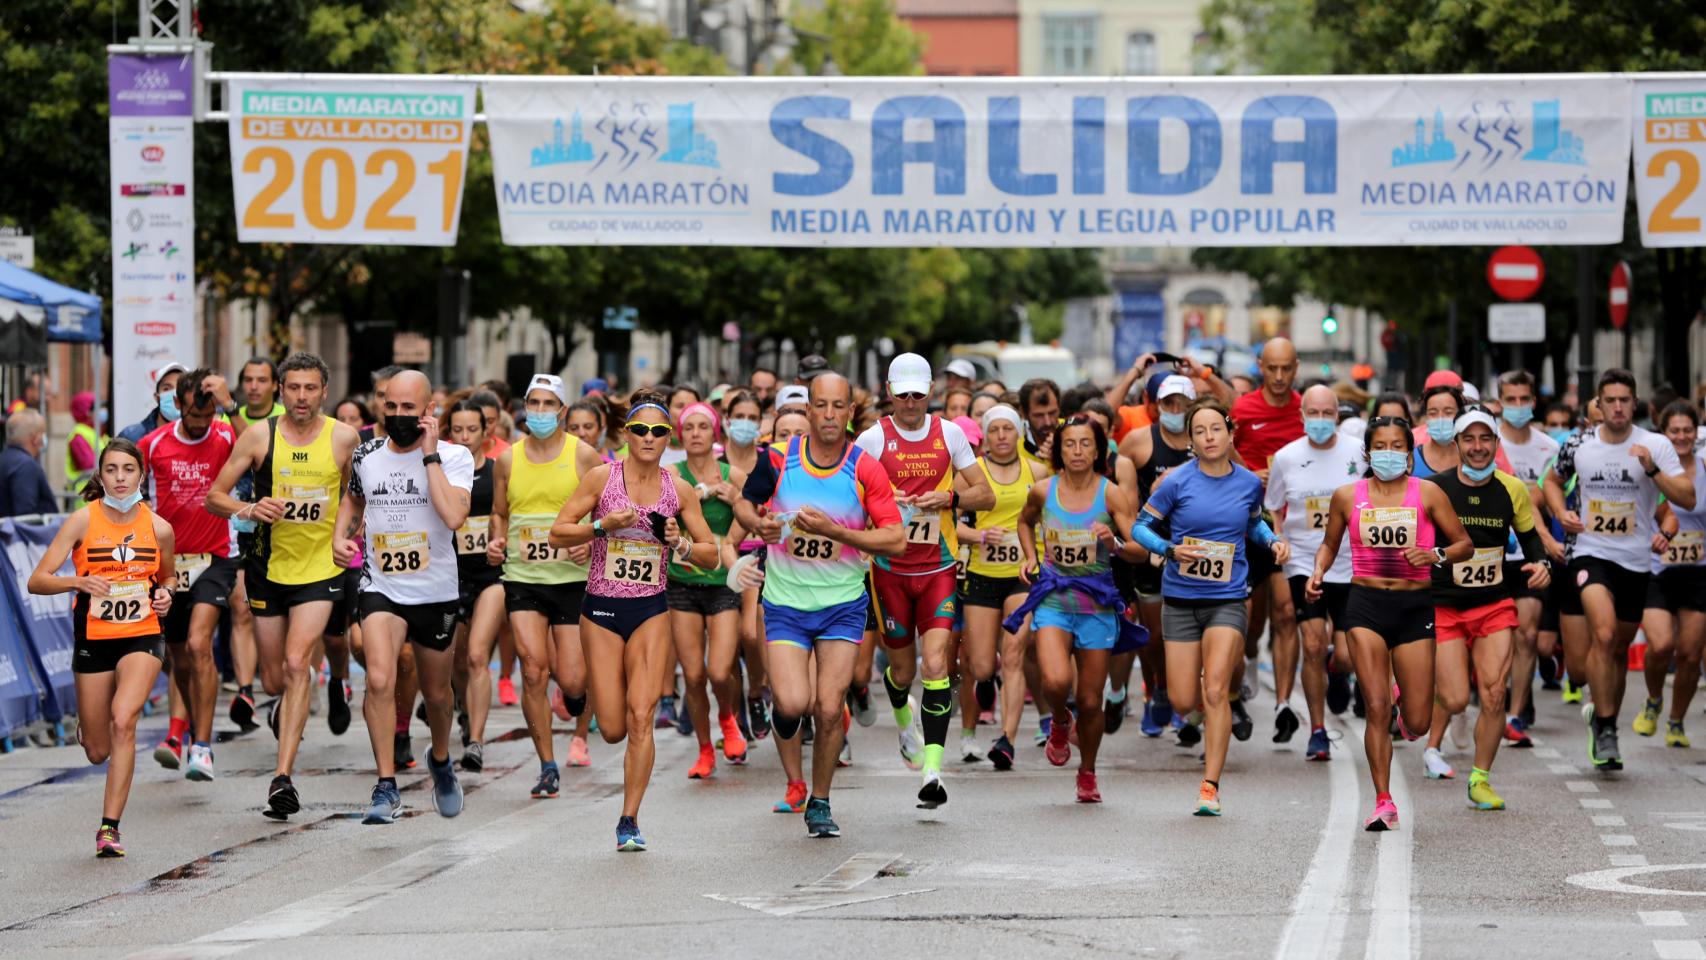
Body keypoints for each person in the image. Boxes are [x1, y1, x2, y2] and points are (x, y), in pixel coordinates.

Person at [733, 373, 904, 838]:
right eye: (821, 405)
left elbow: (895, 538)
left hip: (842, 604)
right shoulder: (777, 458)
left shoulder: (865, 467)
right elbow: (745, 505)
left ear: (850, 412)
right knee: (793, 704)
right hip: (786, 603)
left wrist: (837, 532)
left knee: (829, 709)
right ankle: (785, 725)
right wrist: (760, 525)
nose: (829, 414)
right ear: (808, 410)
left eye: (838, 406)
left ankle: (821, 801)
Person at [549, 394, 719, 850]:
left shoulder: (678, 489)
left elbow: (712, 555)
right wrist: (601, 526)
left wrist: (679, 544)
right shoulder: (602, 478)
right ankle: (594, 695)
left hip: (650, 609)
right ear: (626, 434)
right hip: (602, 610)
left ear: (668, 439)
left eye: (658, 432)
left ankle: (629, 819)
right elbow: (558, 532)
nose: (648, 438)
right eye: (640, 430)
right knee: (613, 728)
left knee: (642, 716)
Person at [206, 352, 361, 820]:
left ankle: (282, 779)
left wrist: (344, 536)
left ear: (324, 391)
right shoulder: (259, 436)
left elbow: (355, 498)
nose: (301, 397)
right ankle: (283, 706)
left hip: (320, 569)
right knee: (274, 679)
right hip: (268, 568)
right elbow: (215, 496)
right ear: (280, 390)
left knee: (297, 663)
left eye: (310, 388)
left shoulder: (343, 437)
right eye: (293, 387)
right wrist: (251, 510)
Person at [1307, 414, 1472, 830]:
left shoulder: (1427, 493)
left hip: (1414, 607)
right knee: (1376, 707)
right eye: (1380, 446)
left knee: (1417, 722)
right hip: (1365, 605)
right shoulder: (1348, 496)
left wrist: (1434, 556)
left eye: (1397, 446)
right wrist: (1318, 571)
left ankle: (1405, 706)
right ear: (1368, 452)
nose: (1389, 453)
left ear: (1409, 453)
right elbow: (1329, 544)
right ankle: (1383, 801)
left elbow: (1464, 545)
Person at [1131, 400, 1284, 814]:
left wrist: (1272, 541)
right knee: (1184, 700)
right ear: (1191, 441)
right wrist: (1169, 549)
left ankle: (1210, 787)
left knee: (1215, 689)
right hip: (1180, 600)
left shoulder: (1248, 483)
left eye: (1216, 428)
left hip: (1228, 598)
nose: (1209, 437)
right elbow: (1139, 528)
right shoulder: (1176, 482)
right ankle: (1202, 711)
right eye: (1200, 431)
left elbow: (1253, 522)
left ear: (1230, 433)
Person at [334, 371, 474, 823]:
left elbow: (453, 516)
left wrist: (429, 456)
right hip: (382, 587)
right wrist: (340, 537)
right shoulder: (366, 454)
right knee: (379, 680)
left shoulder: (455, 456)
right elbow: (353, 500)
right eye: (390, 407)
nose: (397, 415)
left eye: (408, 408)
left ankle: (440, 759)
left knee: (437, 694)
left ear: (429, 411)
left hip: (435, 592)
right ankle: (386, 786)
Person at [856, 353, 993, 808]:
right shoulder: (873, 439)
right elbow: (850, 497)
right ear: (889, 392)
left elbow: (985, 495)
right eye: (903, 394)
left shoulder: (949, 434)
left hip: (938, 568)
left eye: (919, 393)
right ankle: (903, 718)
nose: (911, 402)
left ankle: (933, 772)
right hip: (890, 571)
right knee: (902, 672)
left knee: (936, 666)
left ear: (931, 391)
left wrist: (948, 498)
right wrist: (881, 499)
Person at [28, 439, 176, 857]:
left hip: (143, 634)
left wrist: (166, 594)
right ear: (101, 475)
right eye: (111, 470)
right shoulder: (82, 520)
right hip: (94, 638)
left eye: (128, 469)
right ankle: (89, 724)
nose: (120, 478)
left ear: (141, 474)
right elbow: (37, 580)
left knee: (124, 719)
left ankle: (109, 828)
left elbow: (167, 576)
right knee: (97, 750)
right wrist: (79, 581)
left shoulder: (159, 528)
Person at [1545, 370, 1693, 772]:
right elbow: (1551, 482)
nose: (1617, 408)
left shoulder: (1655, 445)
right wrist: (1560, 512)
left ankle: (1602, 717)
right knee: (1605, 633)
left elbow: (1687, 497)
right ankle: (1608, 727)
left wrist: (1653, 471)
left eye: (1624, 400)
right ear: (1599, 403)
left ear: (1635, 403)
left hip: (1635, 561)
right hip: (1590, 553)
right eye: (1609, 400)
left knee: (1618, 650)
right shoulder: (1579, 444)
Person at [1008, 414, 1144, 804]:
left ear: (1099, 450)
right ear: (1059, 450)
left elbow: (1138, 549)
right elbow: (1024, 522)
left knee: (1090, 699)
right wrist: (1031, 557)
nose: (1078, 451)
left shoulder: (1111, 494)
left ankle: (1088, 770)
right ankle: (1058, 720)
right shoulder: (1043, 491)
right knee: (1054, 682)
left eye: (1086, 443)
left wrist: (1114, 543)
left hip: (1096, 604)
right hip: (1054, 598)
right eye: (1070, 444)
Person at [1422, 409, 1550, 810]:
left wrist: (1541, 563)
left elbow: (1530, 538)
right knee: (1456, 699)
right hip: (1444, 606)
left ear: (1496, 443)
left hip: (1492, 603)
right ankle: (1430, 715)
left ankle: (1480, 779)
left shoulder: (1512, 488)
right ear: (1456, 444)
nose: (1477, 447)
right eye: (1469, 439)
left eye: (1485, 439)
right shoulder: (1434, 488)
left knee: (1494, 692)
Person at [488, 374, 605, 795]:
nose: (539, 411)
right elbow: (500, 512)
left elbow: (607, 511)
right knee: (533, 668)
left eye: (548, 404)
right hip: (523, 577)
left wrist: (590, 541)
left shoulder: (584, 455)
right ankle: (547, 765)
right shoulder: (508, 460)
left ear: (562, 411)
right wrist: (496, 540)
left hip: (572, 580)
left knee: (573, 681)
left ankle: (573, 700)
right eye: (533, 403)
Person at [137, 369, 240, 781]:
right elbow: (124, 484)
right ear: (177, 406)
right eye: (194, 418)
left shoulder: (226, 434)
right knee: (178, 657)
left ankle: (202, 746)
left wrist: (230, 404)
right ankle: (189, 724)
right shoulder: (153, 444)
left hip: (215, 557)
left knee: (200, 644)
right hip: (168, 563)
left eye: (208, 417)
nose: (201, 425)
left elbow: (261, 447)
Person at [1264, 384, 1363, 762]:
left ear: (1338, 415)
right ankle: (1318, 730)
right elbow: (1274, 506)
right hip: (1305, 562)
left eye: (1327, 413)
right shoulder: (1287, 457)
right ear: (1301, 415)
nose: (1320, 420)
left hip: (1349, 561)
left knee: (1348, 655)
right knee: (1313, 644)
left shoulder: (1358, 452)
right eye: (1313, 413)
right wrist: (1279, 538)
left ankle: (1338, 670)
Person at [956, 404, 1045, 768]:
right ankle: (984, 686)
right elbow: (946, 522)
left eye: (1008, 428)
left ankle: (1006, 740)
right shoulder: (970, 474)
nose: (1002, 435)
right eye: (994, 430)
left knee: (1012, 656)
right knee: (980, 667)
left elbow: (1050, 518)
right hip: (981, 575)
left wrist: (1040, 558)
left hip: (1022, 578)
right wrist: (977, 535)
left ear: (1019, 433)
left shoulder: (1037, 471)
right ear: (986, 437)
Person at [666, 401, 749, 778]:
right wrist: (696, 495)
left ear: (715, 433)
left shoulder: (734, 475)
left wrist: (735, 506)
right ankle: (704, 750)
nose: (696, 433)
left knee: (718, 671)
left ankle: (728, 719)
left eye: (703, 427)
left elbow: (755, 515)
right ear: (680, 435)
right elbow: (660, 512)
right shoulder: (672, 475)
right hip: (682, 584)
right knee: (694, 675)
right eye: (689, 427)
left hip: (722, 584)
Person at [1231, 339, 1304, 739]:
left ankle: (1284, 704)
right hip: (1246, 526)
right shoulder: (1242, 410)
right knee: (1249, 620)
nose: (1278, 377)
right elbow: (1220, 454)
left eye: (1285, 368)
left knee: (1287, 613)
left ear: (1296, 367)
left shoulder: (1306, 411)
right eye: (1271, 368)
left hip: (1286, 528)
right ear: (1260, 365)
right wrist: (1248, 472)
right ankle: (1250, 655)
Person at [1495, 370, 1562, 747]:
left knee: (1528, 633)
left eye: (1524, 399)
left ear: (1534, 402)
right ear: (1500, 401)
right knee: (1496, 636)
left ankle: (1516, 715)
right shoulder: (1486, 441)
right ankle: (1494, 698)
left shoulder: (1549, 448)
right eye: (1511, 399)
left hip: (1530, 552)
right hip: (1490, 555)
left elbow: (1551, 499)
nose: (1518, 406)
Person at [1636, 401, 1706, 748]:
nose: (1681, 436)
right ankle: (1653, 700)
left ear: (1696, 432)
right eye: (1674, 431)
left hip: (1697, 572)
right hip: (1657, 569)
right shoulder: (1649, 468)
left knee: (1690, 654)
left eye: (1687, 430)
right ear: (1664, 433)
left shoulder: (1704, 467)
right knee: (1661, 644)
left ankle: (1676, 721)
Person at [446, 400, 506, 772]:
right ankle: (465, 710)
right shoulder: (438, 471)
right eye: (458, 430)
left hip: (491, 577)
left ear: (486, 432)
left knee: (477, 656)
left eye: (472, 429)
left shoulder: (498, 471)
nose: (465, 437)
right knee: (456, 660)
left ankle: (476, 742)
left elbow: (508, 514)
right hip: (449, 577)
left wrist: (501, 540)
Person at [1, 409, 56, 517]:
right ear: (35, 439)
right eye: (43, 433)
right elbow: (26, 517)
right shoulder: (26, 466)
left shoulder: (4, 459)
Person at [118, 362, 186, 444]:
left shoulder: (197, 438)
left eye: (180, 388)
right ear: (157, 397)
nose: (175, 394)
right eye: (167, 389)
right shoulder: (131, 437)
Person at [229, 358, 284, 433]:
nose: (253, 387)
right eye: (248, 380)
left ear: (275, 385)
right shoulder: (228, 418)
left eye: (262, 380)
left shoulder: (288, 418)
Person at [66, 391, 106, 495]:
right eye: (97, 408)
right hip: (85, 497)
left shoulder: (95, 432)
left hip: (97, 494)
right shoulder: (79, 435)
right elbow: (89, 465)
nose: (102, 411)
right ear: (87, 412)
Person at [1019, 378, 1061, 465]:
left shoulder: (1077, 433)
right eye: (1039, 415)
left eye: (1052, 413)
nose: (1048, 422)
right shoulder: (1013, 445)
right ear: (1024, 413)